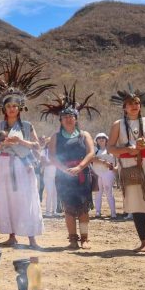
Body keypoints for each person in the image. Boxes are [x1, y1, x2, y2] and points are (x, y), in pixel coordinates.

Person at [0, 56, 52, 248]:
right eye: (8, 106)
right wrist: (1, 143)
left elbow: (37, 147)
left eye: (15, 106)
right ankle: (12, 236)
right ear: (4, 108)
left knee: (27, 199)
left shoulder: (27, 126)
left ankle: (32, 238)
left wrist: (21, 141)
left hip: (23, 165)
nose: (12, 109)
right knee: (7, 199)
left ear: (20, 108)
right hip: (3, 164)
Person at [107, 86, 145, 258]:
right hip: (128, 165)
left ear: (140, 105)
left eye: (136, 103)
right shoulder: (118, 125)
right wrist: (128, 149)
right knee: (135, 205)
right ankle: (144, 242)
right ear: (124, 107)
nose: (134, 106)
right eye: (130, 104)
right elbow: (110, 148)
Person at [41, 85, 97, 249]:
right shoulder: (56, 136)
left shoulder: (84, 135)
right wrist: (64, 169)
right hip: (64, 176)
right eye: (65, 117)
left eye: (71, 116)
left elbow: (91, 152)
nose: (68, 119)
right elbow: (52, 156)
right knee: (69, 208)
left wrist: (80, 167)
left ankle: (85, 239)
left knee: (84, 209)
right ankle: (72, 238)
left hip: (82, 175)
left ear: (76, 118)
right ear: (61, 120)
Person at [91, 132, 117, 219]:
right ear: (96, 140)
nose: (101, 139)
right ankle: (98, 212)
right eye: (99, 138)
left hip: (108, 173)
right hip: (97, 173)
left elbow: (116, 161)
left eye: (103, 138)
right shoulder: (94, 150)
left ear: (106, 140)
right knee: (98, 193)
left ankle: (113, 212)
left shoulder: (111, 150)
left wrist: (115, 168)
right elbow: (91, 158)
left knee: (109, 192)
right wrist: (102, 161)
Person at [40, 137, 58, 217]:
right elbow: (43, 163)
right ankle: (47, 212)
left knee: (55, 193)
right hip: (47, 176)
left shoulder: (56, 152)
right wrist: (53, 162)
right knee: (50, 193)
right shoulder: (44, 151)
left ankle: (54, 211)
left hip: (56, 176)